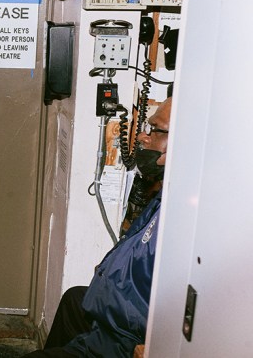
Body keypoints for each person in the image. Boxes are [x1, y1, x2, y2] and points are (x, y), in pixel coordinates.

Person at [26, 96, 173, 358]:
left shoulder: (189, 219)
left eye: (155, 129)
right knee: (74, 300)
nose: (142, 137)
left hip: (129, 338)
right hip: (122, 317)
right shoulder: (165, 196)